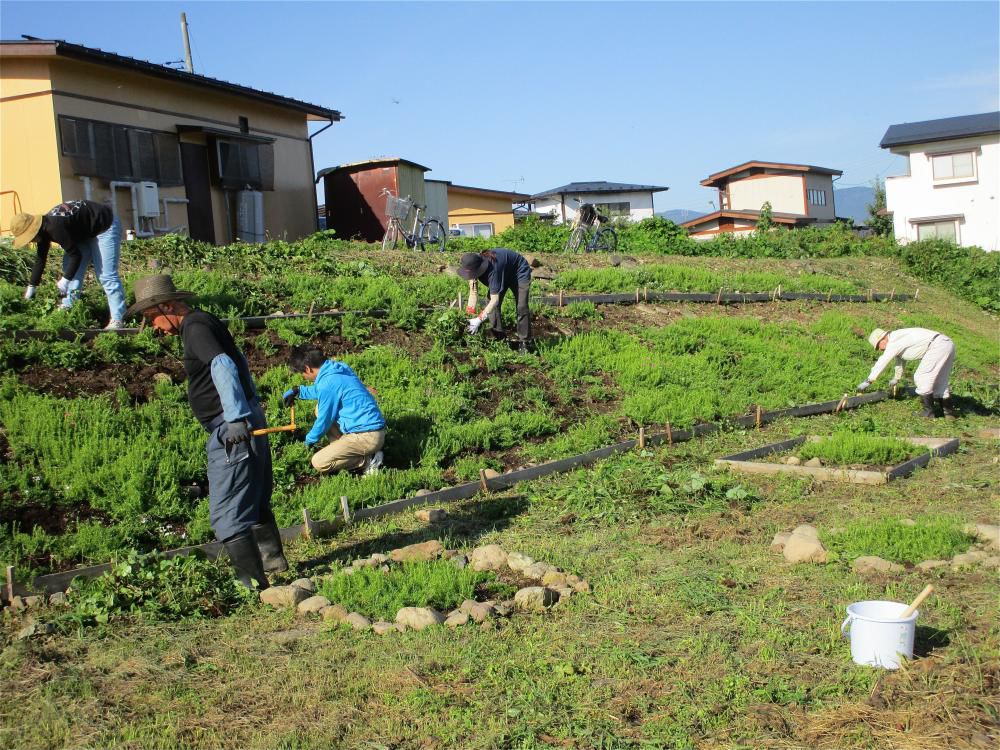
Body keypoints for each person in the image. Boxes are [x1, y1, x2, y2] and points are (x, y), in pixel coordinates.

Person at [126, 274, 287, 590]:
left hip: (232, 427)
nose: (154, 327)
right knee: (252, 497)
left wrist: (237, 417)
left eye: (152, 317)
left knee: (227, 510)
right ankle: (274, 563)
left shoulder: (195, 328)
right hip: (245, 418)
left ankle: (254, 585)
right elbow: (238, 360)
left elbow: (224, 366)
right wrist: (251, 407)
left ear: (168, 305)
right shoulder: (205, 322)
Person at [12, 200, 127, 329]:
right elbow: (40, 259)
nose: (30, 240)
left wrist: (65, 280)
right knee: (70, 268)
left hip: (105, 225)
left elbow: (76, 255)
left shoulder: (54, 227)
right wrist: (31, 286)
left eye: (28, 237)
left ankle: (118, 319)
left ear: (33, 230)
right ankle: (69, 306)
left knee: (106, 275)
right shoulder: (44, 229)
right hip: (85, 231)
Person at [282, 347, 386, 476]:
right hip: (372, 430)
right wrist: (299, 391)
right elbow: (324, 391)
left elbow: (324, 421)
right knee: (319, 409)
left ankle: (368, 460)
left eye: (302, 374)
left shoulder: (328, 383)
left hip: (366, 437)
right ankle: (344, 447)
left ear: (308, 369)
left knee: (319, 462)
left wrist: (307, 441)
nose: (303, 377)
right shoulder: (338, 368)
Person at [857, 327, 956, 418]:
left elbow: (883, 361)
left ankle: (928, 412)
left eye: (878, 346)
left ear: (883, 339)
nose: (880, 350)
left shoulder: (894, 341)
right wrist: (896, 378)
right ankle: (949, 413)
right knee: (940, 381)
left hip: (937, 346)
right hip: (946, 344)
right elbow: (900, 360)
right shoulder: (898, 338)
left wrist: (869, 380)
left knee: (921, 377)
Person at [457, 249, 533, 353]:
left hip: (518, 272)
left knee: (521, 306)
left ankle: (525, 342)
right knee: (491, 307)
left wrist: (479, 319)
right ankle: (500, 337)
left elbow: (495, 300)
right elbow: (473, 292)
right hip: (502, 273)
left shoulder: (492, 270)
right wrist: (469, 316)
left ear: (478, 268)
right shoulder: (473, 269)